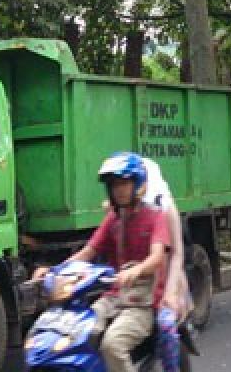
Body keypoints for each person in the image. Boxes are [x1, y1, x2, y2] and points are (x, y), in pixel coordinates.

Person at [33, 152, 169, 372]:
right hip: (112, 296)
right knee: (79, 334)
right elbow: (88, 252)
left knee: (112, 345)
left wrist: (138, 270)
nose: (120, 190)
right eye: (115, 185)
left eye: (125, 183)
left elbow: (157, 257)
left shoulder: (155, 217)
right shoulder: (113, 220)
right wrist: (54, 270)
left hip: (142, 302)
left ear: (138, 184)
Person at [141, 157, 190, 372]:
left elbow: (176, 254)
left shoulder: (167, 212)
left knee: (167, 328)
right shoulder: (120, 212)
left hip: (167, 280)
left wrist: (170, 294)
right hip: (133, 288)